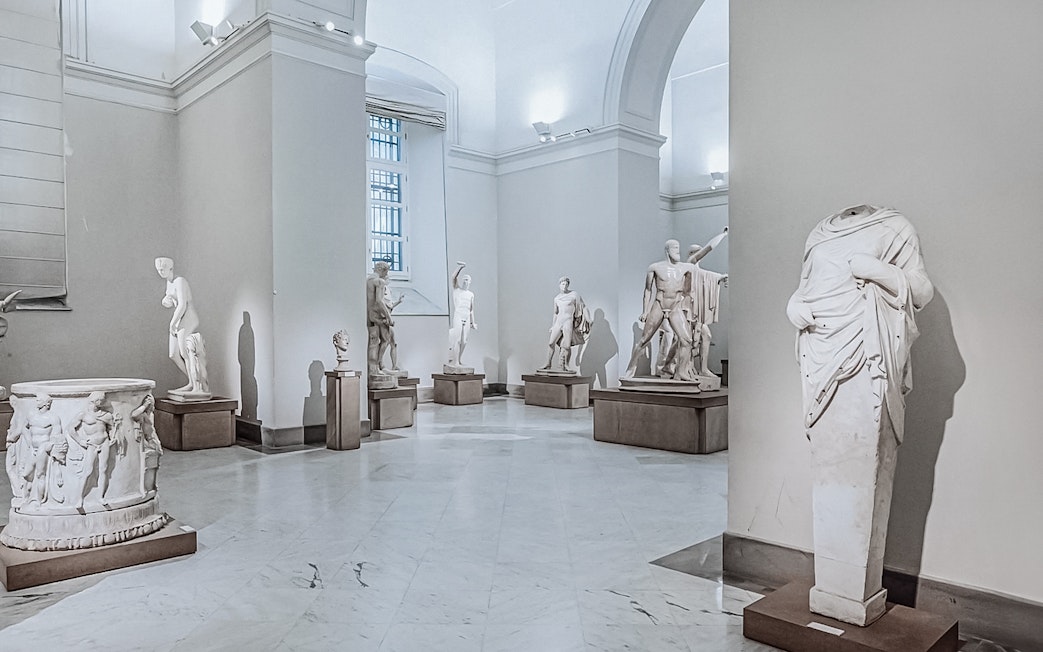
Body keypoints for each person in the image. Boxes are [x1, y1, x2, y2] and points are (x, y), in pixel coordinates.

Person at [787, 204, 933, 625]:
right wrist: (793, 305)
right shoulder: (819, 232)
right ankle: (831, 592)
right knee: (829, 468)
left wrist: (879, 271)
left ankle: (857, 594)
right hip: (820, 352)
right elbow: (805, 287)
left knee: (866, 467)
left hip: (869, 353)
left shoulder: (895, 226)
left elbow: (922, 291)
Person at [623, 240, 697, 381]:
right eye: (674, 248)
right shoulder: (655, 267)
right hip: (659, 304)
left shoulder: (685, 268)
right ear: (667, 250)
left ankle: (681, 372)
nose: (678, 251)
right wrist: (645, 311)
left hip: (675, 306)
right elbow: (648, 290)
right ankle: (630, 370)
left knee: (686, 340)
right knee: (644, 340)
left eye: (678, 248)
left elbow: (688, 290)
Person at [155, 257, 209, 395]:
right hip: (179, 317)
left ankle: (198, 385)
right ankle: (192, 382)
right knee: (173, 354)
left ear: (170, 268)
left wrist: (172, 323)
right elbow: (171, 301)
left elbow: (182, 304)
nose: (160, 272)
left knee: (185, 352)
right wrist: (165, 301)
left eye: (162, 269)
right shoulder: (169, 283)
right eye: (159, 270)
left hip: (188, 315)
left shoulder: (180, 281)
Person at [8, 393, 68, 506]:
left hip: (43, 448)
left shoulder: (52, 418)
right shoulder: (31, 415)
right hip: (33, 448)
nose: (37, 402)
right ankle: (26, 498)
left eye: (39, 400)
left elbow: (57, 436)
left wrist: (48, 445)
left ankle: (39, 502)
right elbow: (24, 428)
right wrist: (29, 442)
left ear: (46, 403)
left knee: (40, 474)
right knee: (26, 474)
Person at [67, 391, 120, 508]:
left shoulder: (106, 415)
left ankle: (101, 497)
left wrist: (113, 437)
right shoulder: (83, 415)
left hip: (104, 442)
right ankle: (79, 498)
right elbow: (71, 428)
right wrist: (80, 441)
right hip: (92, 444)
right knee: (88, 471)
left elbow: (112, 427)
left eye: (102, 400)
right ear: (94, 401)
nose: (102, 402)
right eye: (100, 400)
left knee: (103, 469)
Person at [539, 277, 589, 373]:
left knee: (567, 345)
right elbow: (555, 313)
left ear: (568, 285)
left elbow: (583, 307)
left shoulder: (574, 295)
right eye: (562, 284)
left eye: (566, 284)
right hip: (558, 322)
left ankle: (566, 365)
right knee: (551, 343)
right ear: (559, 285)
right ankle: (548, 363)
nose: (564, 286)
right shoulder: (556, 298)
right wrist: (553, 325)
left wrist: (589, 319)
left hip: (568, 322)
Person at [366, 261, 398, 374]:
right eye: (386, 271)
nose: (386, 274)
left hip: (371, 314)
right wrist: (389, 317)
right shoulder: (379, 281)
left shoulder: (368, 280)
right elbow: (379, 301)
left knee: (374, 341)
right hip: (378, 314)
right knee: (385, 340)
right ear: (381, 269)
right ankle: (378, 366)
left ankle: (375, 368)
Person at [131, 393, 162, 495]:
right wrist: (144, 405)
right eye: (151, 404)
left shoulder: (151, 415)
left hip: (154, 441)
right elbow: (134, 415)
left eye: (152, 403)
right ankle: (147, 488)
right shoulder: (143, 415)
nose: (152, 406)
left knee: (155, 465)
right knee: (148, 465)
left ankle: (152, 486)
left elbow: (152, 429)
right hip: (148, 442)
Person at [447, 262, 477, 367]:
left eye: (467, 280)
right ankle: (455, 362)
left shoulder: (471, 294)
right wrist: (460, 267)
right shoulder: (457, 290)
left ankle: (459, 360)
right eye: (464, 279)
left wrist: (473, 322)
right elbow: (453, 277)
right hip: (459, 315)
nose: (465, 281)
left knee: (464, 341)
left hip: (467, 317)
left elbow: (471, 310)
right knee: (458, 339)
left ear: (470, 282)